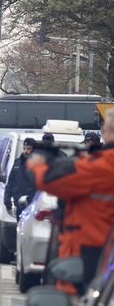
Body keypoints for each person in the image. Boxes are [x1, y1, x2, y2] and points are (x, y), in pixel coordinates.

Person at [26, 108, 114, 293]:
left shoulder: (100, 167)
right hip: (100, 258)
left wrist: (37, 164)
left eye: (104, 129)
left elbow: (48, 179)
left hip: (91, 259)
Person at [3, 138, 37, 219]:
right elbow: (10, 183)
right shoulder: (17, 163)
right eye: (24, 148)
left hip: (33, 206)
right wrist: (7, 200)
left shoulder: (38, 165)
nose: (25, 151)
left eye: (28, 149)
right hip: (19, 206)